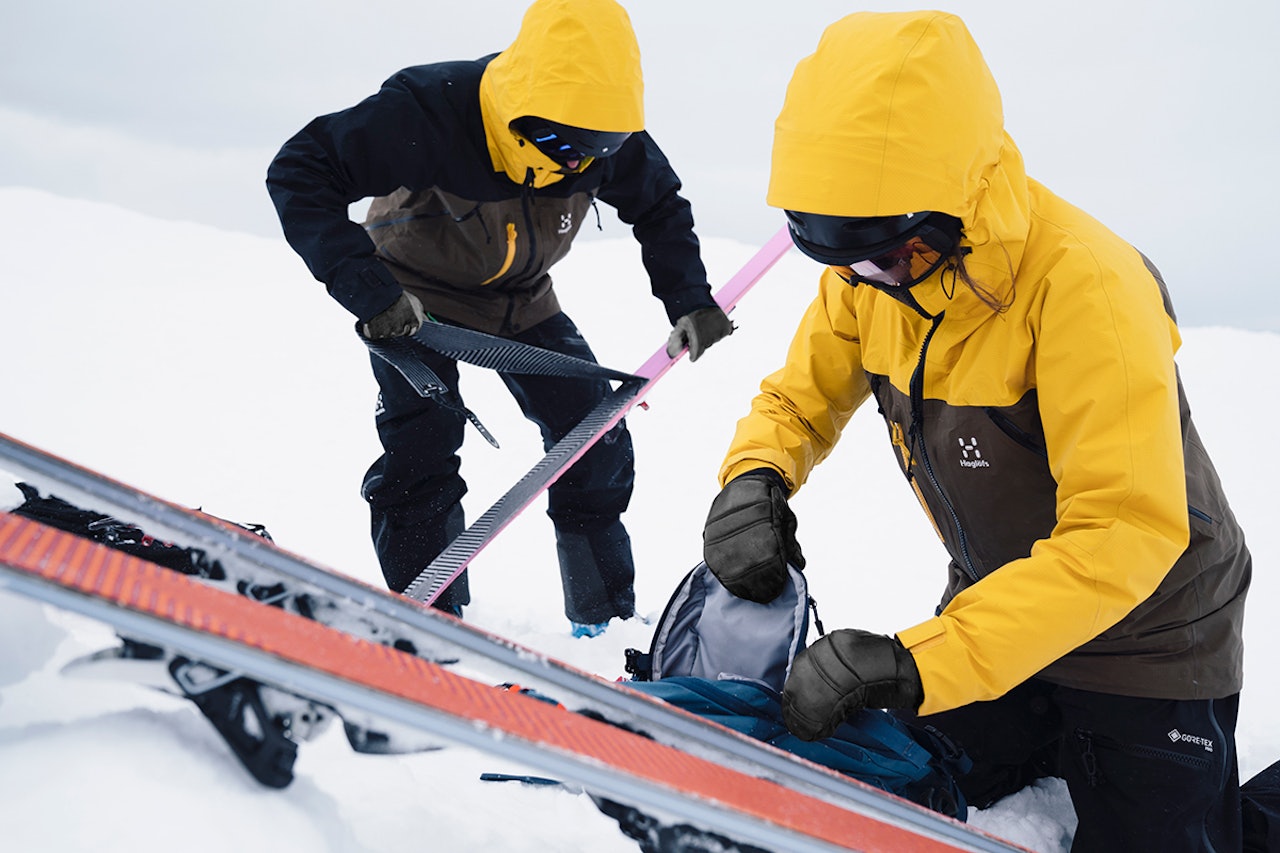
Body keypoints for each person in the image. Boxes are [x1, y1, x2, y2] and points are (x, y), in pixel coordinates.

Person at [701, 11, 1277, 850]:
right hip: (1005, 609)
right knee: (895, 767)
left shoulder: (1087, 286)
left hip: (1151, 633)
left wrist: (922, 659)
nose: (862, 281)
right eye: (841, 262)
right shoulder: (876, 273)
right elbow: (797, 399)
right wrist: (754, 477)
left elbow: (1121, 533)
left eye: (882, 254)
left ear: (948, 209)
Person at [266, 0, 732, 637]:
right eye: (566, 147)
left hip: (521, 297)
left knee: (593, 436)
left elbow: (660, 207)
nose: (579, 165)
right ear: (523, 110)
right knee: (423, 442)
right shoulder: (427, 111)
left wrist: (690, 300)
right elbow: (300, 170)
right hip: (412, 301)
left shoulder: (599, 133)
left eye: (598, 152)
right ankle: (427, 617)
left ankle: (603, 619)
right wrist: (371, 294)